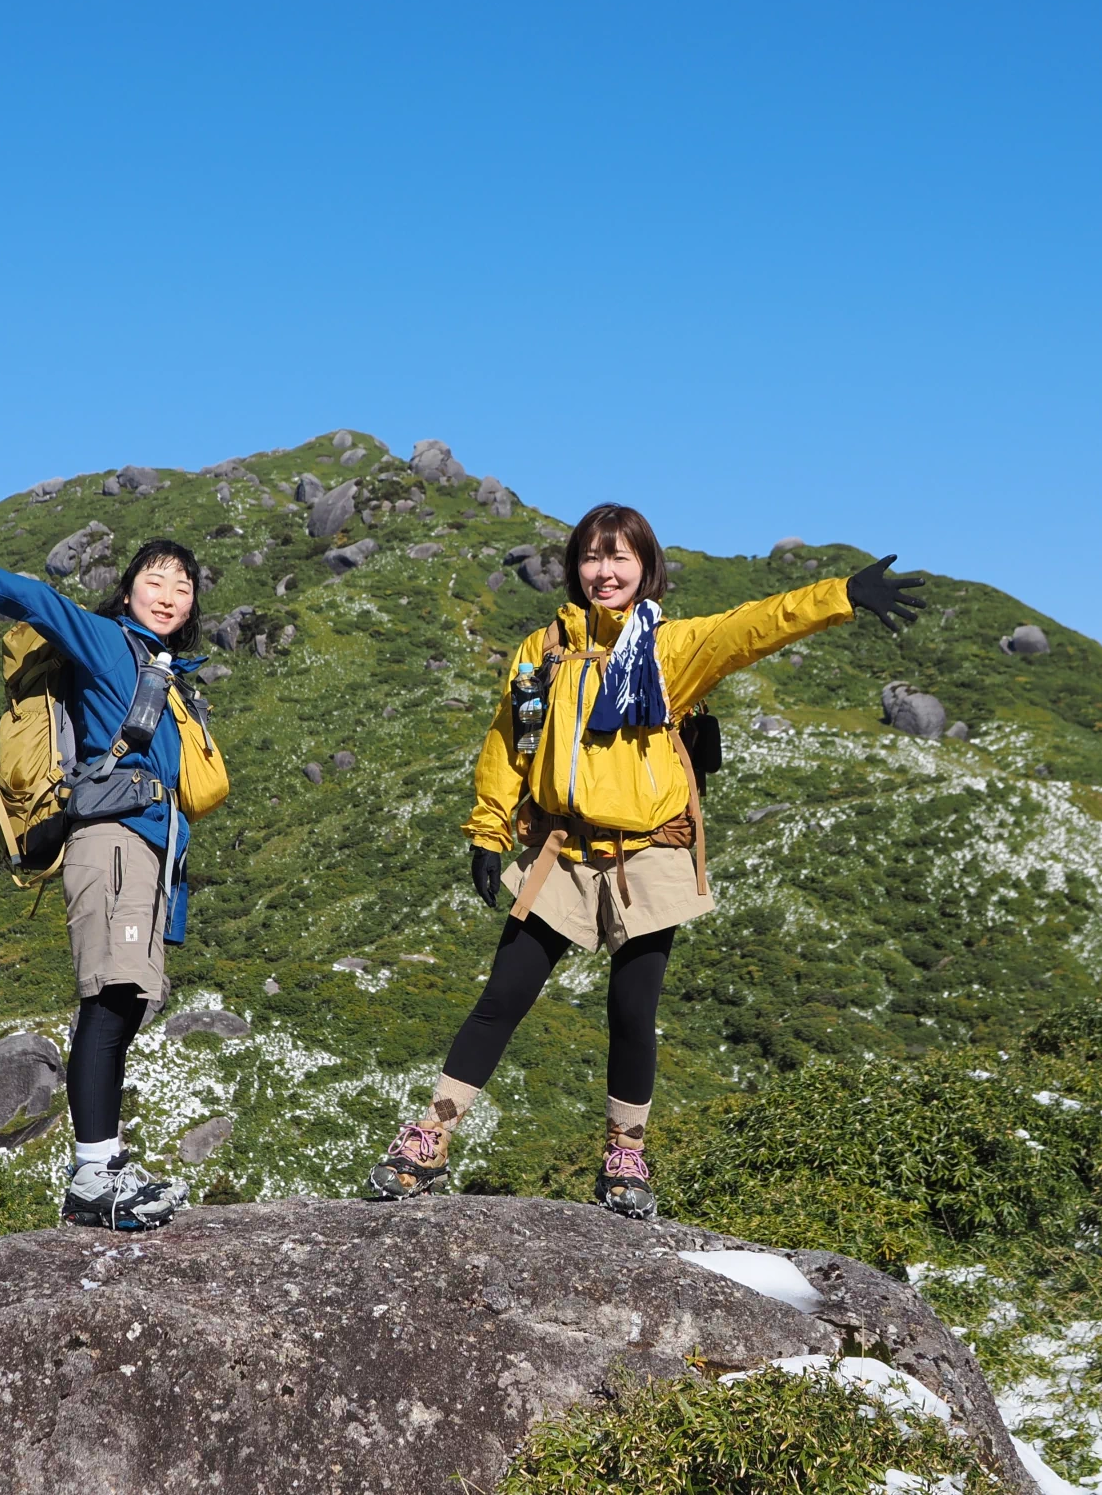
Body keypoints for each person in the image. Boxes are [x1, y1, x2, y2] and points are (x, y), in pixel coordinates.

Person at [366, 505, 925, 1219]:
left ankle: (624, 1159)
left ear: (645, 567)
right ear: (576, 567)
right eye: (593, 558)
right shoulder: (543, 649)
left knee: (633, 1012)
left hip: (648, 854)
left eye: (620, 557)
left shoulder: (670, 648)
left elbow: (754, 625)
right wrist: (486, 829)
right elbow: (509, 739)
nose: (605, 572)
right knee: (501, 999)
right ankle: (429, 1139)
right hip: (560, 851)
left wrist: (840, 595)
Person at [0, 521, 217, 1230]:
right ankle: (92, 1173)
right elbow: (30, 597)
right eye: (154, 580)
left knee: (121, 1005)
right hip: (111, 846)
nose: (168, 594)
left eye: (183, 585)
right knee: (109, 1002)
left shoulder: (166, 675)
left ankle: (104, 1163)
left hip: (142, 858)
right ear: (127, 591)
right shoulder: (107, 642)